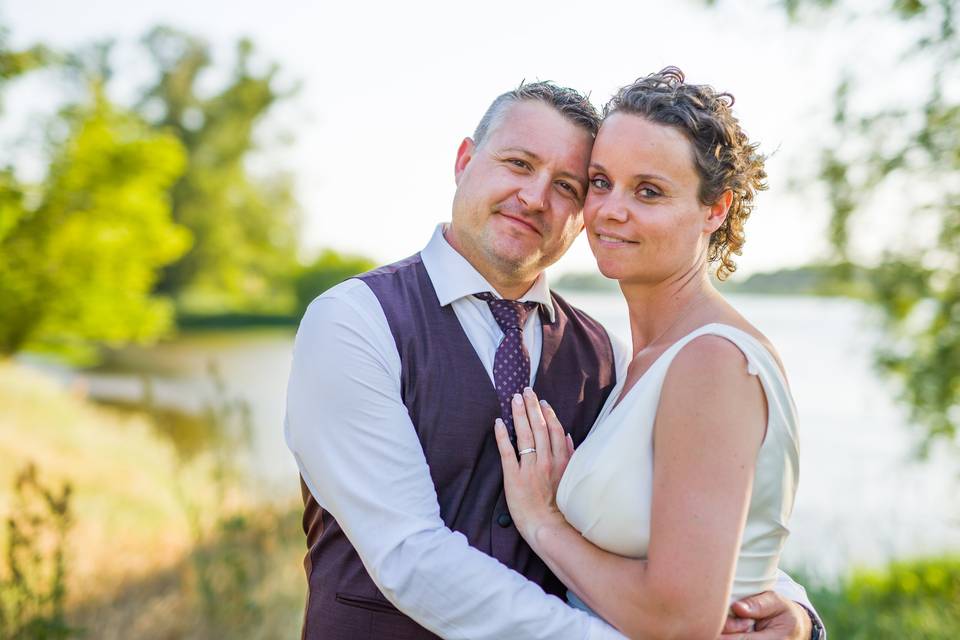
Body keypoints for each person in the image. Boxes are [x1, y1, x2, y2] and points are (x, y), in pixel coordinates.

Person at [285, 79, 820, 639]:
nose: (536, 198)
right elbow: (409, 555)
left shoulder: (608, 356)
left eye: (568, 184)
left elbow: (691, 520)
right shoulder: (354, 321)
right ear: (465, 160)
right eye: (518, 163)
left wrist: (791, 607)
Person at [494, 67, 825, 639]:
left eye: (649, 191)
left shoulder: (712, 362)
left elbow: (679, 620)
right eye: (600, 182)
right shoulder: (636, 361)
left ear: (715, 209)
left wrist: (544, 521)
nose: (610, 210)